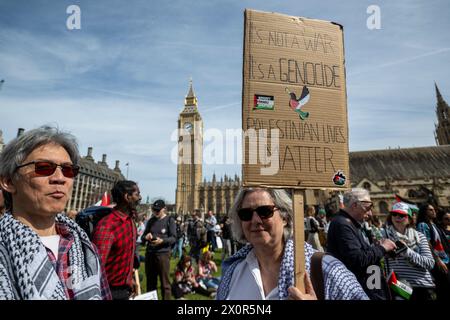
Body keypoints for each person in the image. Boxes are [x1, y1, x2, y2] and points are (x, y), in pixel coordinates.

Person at [0, 126, 110, 299]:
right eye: (44, 167)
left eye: (68, 170)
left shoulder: (85, 248)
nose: (60, 178)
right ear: (8, 182)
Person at [216, 187, 369, 300]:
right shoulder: (232, 271)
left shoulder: (325, 269)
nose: (256, 220)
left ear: (285, 218)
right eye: (246, 214)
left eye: (265, 211)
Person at [327, 188, 396, 300]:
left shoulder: (349, 223)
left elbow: (361, 253)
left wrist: (382, 250)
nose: (370, 213)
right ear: (355, 205)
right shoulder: (342, 224)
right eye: (368, 208)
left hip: (370, 285)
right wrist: (382, 248)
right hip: (362, 288)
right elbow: (357, 259)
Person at [92, 180, 141, 300]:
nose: (140, 198)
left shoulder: (130, 222)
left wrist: (130, 280)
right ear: (127, 197)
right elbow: (96, 267)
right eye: (137, 194)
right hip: (108, 291)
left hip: (125, 289)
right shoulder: (108, 225)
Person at [381, 202, 436, 300]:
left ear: (409, 219)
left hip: (422, 286)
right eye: (394, 214)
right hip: (399, 287)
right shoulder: (383, 236)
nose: (397, 217)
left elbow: (430, 263)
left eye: (402, 215)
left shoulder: (419, 236)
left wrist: (407, 252)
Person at [141, 199, 176, 300]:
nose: (155, 212)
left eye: (158, 210)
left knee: (165, 283)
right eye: (154, 210)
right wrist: (146, 237)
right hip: (150, 254)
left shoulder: (170, 220)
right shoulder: (151, 221)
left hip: (163, 255)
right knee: (151, 283)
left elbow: (173, 238)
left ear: (164, 209)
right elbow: (143, 237)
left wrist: (162, 241)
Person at [417, 203, 450, 300]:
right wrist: (438, 259)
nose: (434, 211)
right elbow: (426, 243)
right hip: (438, 261)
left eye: (434, 209)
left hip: (445, 259)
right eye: (430, 210)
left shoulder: (434, 224)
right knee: (444, 288)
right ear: (424, 212)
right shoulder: (423, 225)